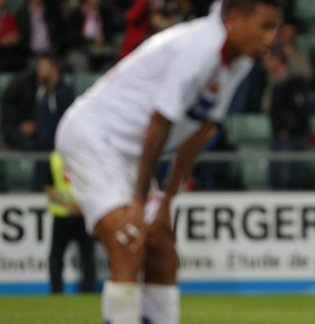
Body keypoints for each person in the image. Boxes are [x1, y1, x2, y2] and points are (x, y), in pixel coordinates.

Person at [55, 1, 280, 323]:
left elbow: (201, 131)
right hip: (94, 136)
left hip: (131, 151)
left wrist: (166, 202)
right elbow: (158, 124)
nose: (271, 36)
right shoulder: (199, 47)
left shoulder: (240, 61)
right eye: (265, 26)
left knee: (161, 249)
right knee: (129, 244)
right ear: (233, 20)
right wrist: (138, 202)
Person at [45, 151, 96, 294]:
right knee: (58, 255)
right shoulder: (55, 158)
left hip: (83, 214)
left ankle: (88, 289)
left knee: (87, 255)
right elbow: (47, 185)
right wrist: (68, 205)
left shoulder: (86, 157)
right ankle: (56, 290)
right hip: (63, 214)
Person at [262, 43, 311, 190]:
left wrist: (288, 130)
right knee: (275, 178)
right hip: (278, 135)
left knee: (289, 178)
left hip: (291, 137)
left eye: (268, 59)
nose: (265, 63)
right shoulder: (275, 82)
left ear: (277, 60)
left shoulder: (294, 82)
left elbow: (302, 110)